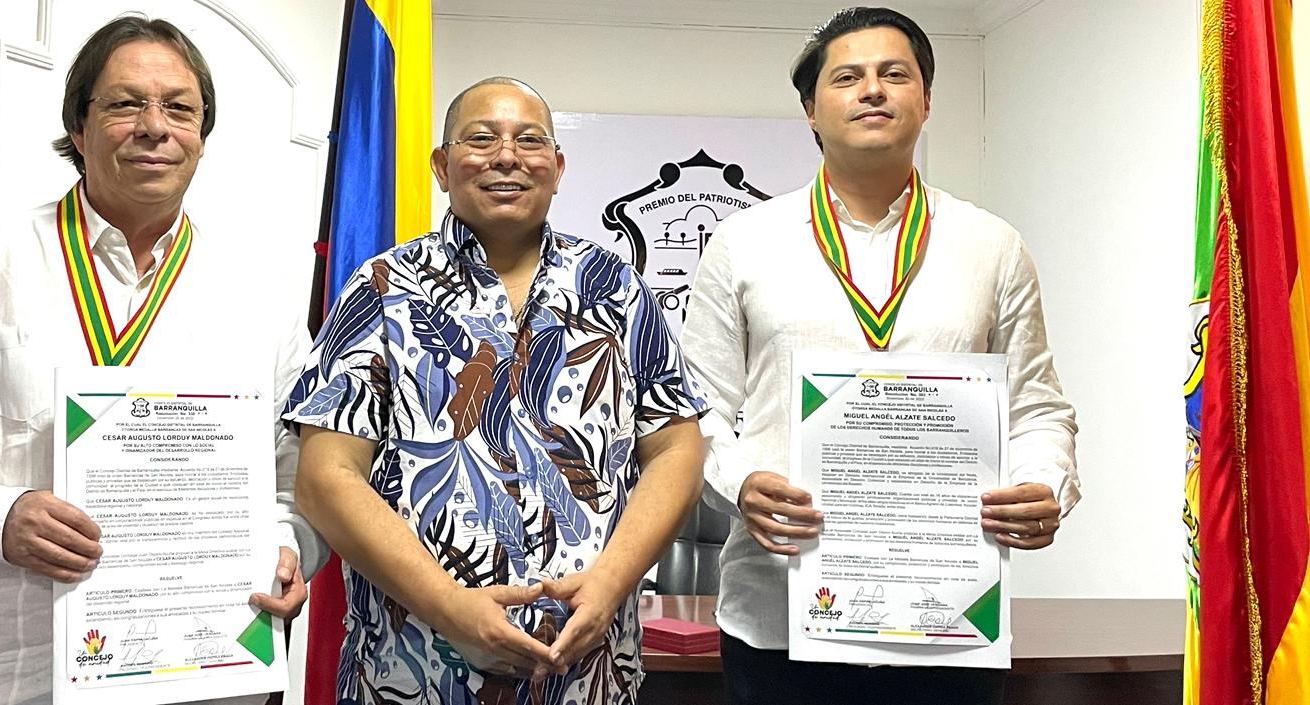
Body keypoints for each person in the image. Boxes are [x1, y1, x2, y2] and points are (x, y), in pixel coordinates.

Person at [0, 16, 321, 705]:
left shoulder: (258, 298)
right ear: (79, 127)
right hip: (6, 679)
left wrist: (286, 544)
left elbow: (298, 471)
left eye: (180, 107)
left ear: (202, 137)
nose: (155, 126)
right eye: (125, 103)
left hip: (206, 680)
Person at [680, 7, 1081, 705]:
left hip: (946, 616)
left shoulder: (991, 246)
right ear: (810, 108)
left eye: (894, 74)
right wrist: (743, 483)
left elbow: (1038, 407)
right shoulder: (742, 243)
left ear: (925, 100)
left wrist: (1044, 484)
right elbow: (696, 410)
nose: (872, 91)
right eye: (847, 77)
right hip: (777, 622)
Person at [283, 77, 709, 704]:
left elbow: (676, 448)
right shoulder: (380, 288)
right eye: (481, 139)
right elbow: (325, 478)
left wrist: (612, 583)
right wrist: (453, 608)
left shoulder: (615, 286)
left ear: (557, 168)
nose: (506, 156)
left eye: (529, 140)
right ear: (442, 166)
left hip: (588, 674)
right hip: (411, 672)